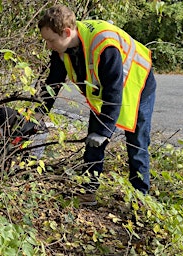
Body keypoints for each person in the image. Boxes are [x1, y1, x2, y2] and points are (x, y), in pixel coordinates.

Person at [37, 5, 157, 205]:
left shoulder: (104, 45)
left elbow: (114, 92)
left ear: (67, 32)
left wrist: (105, 131)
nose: (48, 46)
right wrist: (38, 115)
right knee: (92, 140)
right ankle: (88, 191)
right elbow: (52, 83)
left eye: (50, 40)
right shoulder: (63, 48)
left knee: (137, 142)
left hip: (138, 83)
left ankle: (140, 198)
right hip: (109, 91)